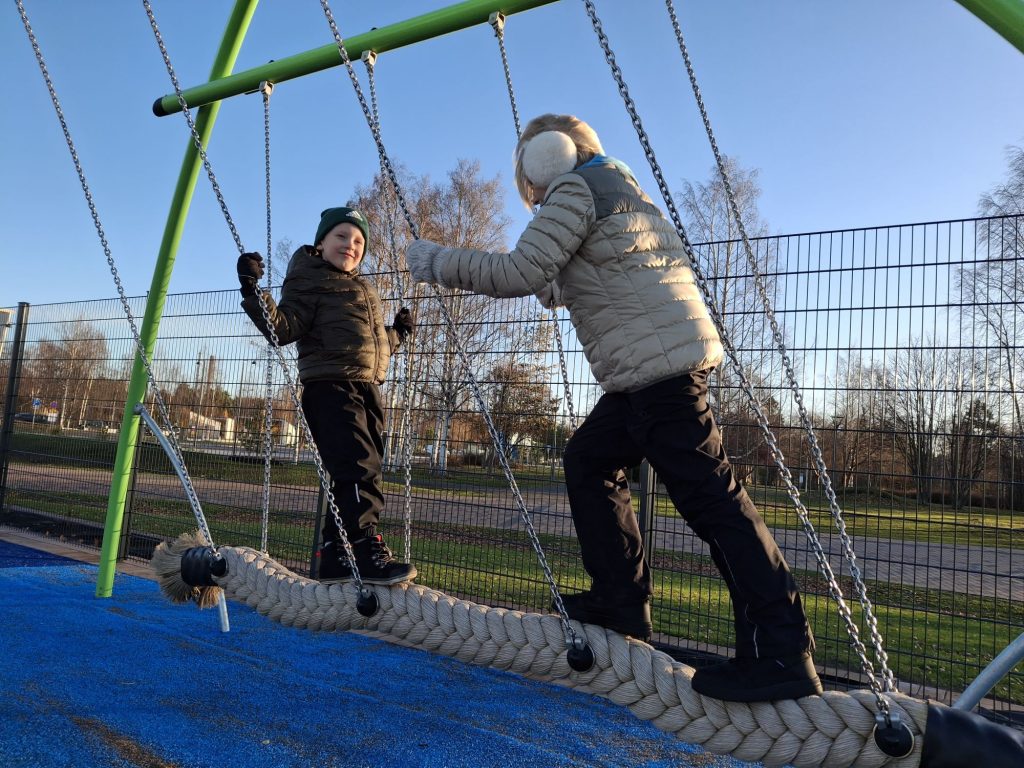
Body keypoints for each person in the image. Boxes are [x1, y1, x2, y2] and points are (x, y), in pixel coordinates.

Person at [403, 114, 821, 702]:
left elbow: (520, 271)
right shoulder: (617, 187)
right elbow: (600, 268)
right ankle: (620, 603)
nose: (534, 191)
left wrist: (437, 262)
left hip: (657, 374)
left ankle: (781, 650)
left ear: (548, 158)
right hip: (649, 370)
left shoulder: (573, 189)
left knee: (715, 505)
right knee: (589, 460)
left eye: (530, 175)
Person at [237, 206, 416, 586]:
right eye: (341, 236)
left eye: (358, 241)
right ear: (321, 242)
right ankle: (366, 548)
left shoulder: (362, 288)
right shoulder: (310, 279)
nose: (350, 245)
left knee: (359, 470)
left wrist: (396, 334)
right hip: (330, 388)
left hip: (365, 388)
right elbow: (281, 329)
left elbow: (368, 344)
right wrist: (253, 291)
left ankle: (335, 555)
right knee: (358, 467)